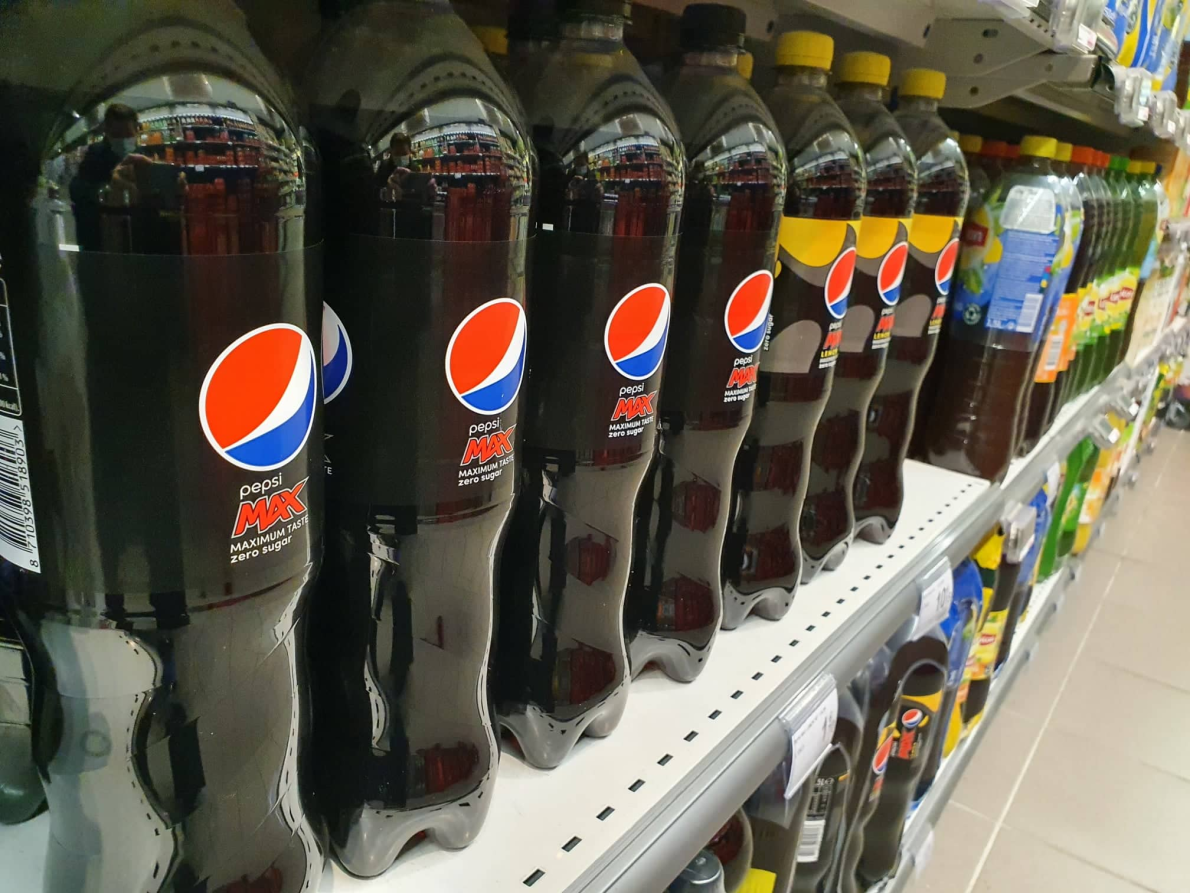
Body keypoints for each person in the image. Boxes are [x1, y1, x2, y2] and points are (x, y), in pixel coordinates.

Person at [69, 103, 151, 249]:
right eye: (117, 135)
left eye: (128, 135)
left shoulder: (141, 156)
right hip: (100, 238)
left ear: (136, 130)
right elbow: (76, 189)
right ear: (107, 132)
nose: (123, 140)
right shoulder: (95, 154)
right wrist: (106, 192)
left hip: (136, 237)